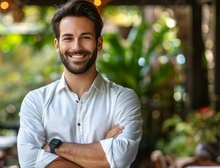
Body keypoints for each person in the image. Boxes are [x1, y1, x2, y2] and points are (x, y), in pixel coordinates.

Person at [16, 0, 143, 167]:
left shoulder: (123, 98)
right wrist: (101, 157)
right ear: (57, 45)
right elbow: (29, 162)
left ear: (99, 43)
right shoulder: (36, 101)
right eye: (68, 38)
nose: (76, 47)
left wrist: (53, 146)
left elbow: (119, 157)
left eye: (85, 37)